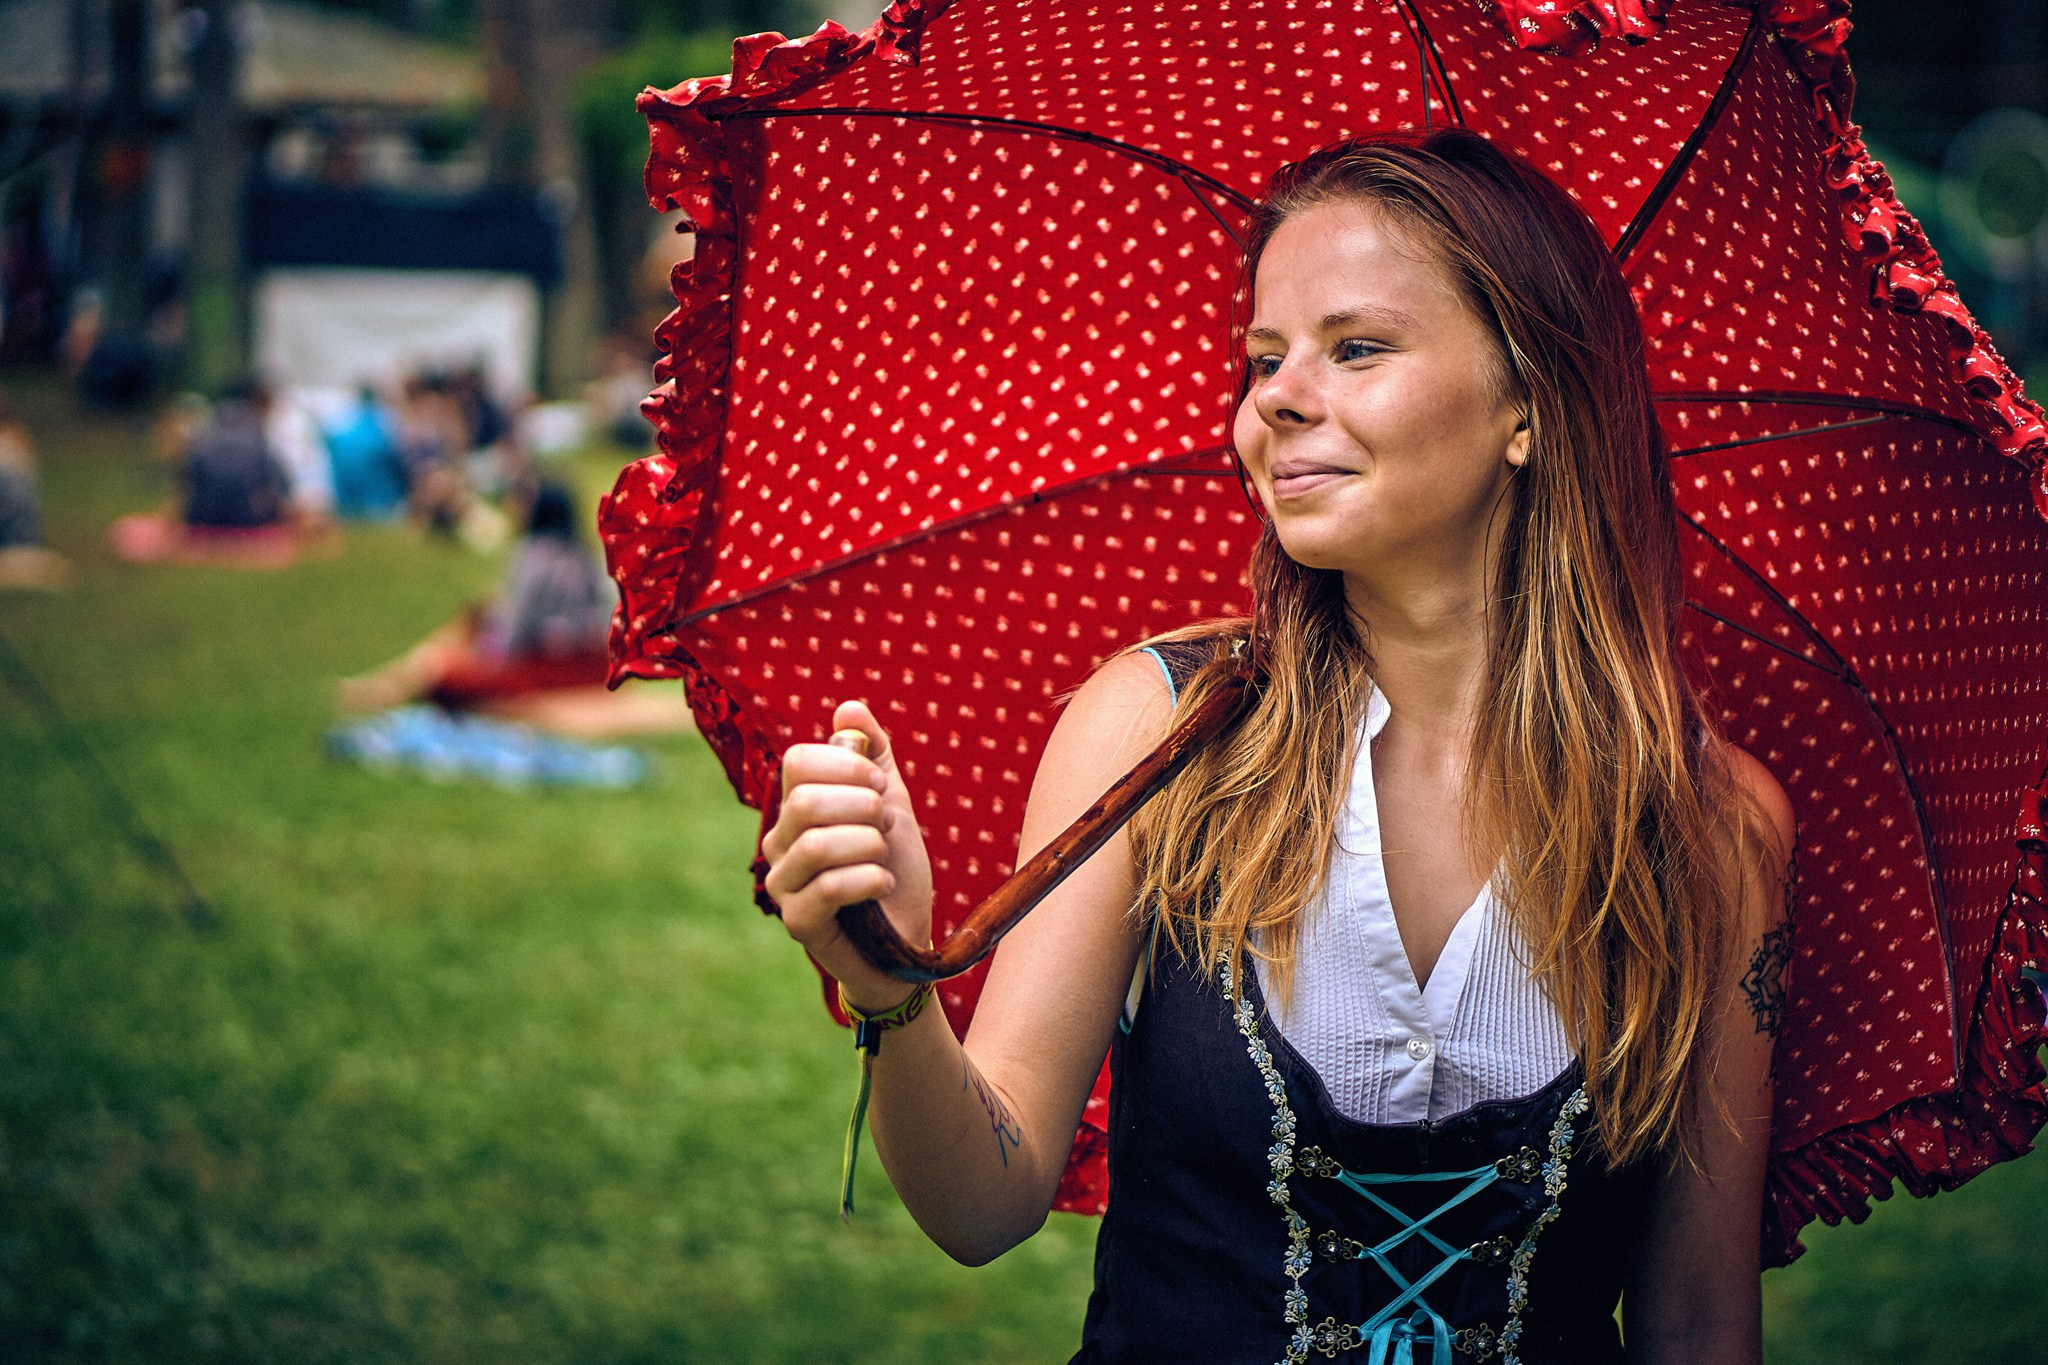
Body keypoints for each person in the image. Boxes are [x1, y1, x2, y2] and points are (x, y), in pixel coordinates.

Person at [762, 129, 1796, 1365]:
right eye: (1262, 359)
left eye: (1353, 347)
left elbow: (1693, 1326)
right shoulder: (1160, 730)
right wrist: (891, 986)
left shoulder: (1709, 828)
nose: (1276, 397)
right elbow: (986, 1199)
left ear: (1528, 404)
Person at [338, 482, 688, 737]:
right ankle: (382, 687)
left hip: (547, 666)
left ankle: (382, 689)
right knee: (475, 617)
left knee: (441, 671)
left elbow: (516, 630)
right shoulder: (586, 555)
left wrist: (484, 658)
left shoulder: (533, 556)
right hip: (594, 665)